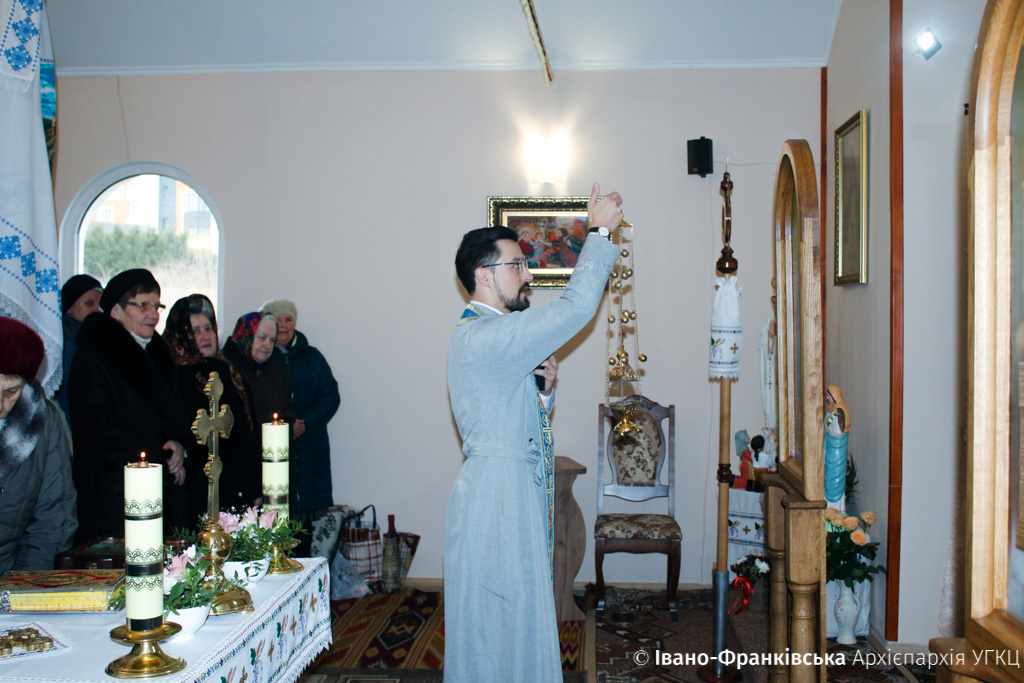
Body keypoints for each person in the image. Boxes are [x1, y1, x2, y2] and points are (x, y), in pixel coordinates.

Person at [444, 183, 623, 682]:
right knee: (498, 622)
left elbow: (508, 418)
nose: (528, 275)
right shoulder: (486, 334)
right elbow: (575, 310)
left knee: (515, 617)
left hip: (505, 492)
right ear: (483, 275)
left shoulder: (488, 334)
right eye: (517, 266)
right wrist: (599, 233)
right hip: (497, 498)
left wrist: (541, 393)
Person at [66, 268, 189, 541]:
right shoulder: (92, 357)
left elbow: (175, 413)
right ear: (115, 311)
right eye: (142, 305)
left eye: (157, 306)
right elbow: (98, 430)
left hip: (161, 486)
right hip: (114, 493)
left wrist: (179, 446)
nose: (153, 314)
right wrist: (159, 453)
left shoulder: (159, 354)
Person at [165, 295, 259, 523]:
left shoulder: (229, 371)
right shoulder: (173, 377)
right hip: (197, 486)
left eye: (208, 328)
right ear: (182, 336)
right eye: (195, 331)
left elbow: (247, 432)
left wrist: (255, 486)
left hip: (236, 483)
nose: (205, 336)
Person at [0, 317, 78, 575]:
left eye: (10, 392)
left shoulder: (41, 421)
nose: (0, 406)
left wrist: (21, 587)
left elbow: (52, 519)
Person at [258, 299, 340, 526]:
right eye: (277, 320)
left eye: (288, 319)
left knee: (309, 529)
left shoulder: (313, 357)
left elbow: (331, 396)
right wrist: (287, 425)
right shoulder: (262, 359)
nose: (283, 325)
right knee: (276, 523)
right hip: (275, 448)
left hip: (311, 448)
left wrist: (305, 422)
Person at [222, 312, 294, 428]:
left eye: (272, 340)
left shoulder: (274, 369)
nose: (267, 345)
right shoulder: (225, 369)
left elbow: (286, 412)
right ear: (246, 336)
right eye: (262, 338)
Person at [54, 274, 103, 422]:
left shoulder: (93, 337)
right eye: (89, 303)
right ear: (69, 308)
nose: (98, 310)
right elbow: (70, 397)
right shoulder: (67, 342)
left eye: (101, 304)